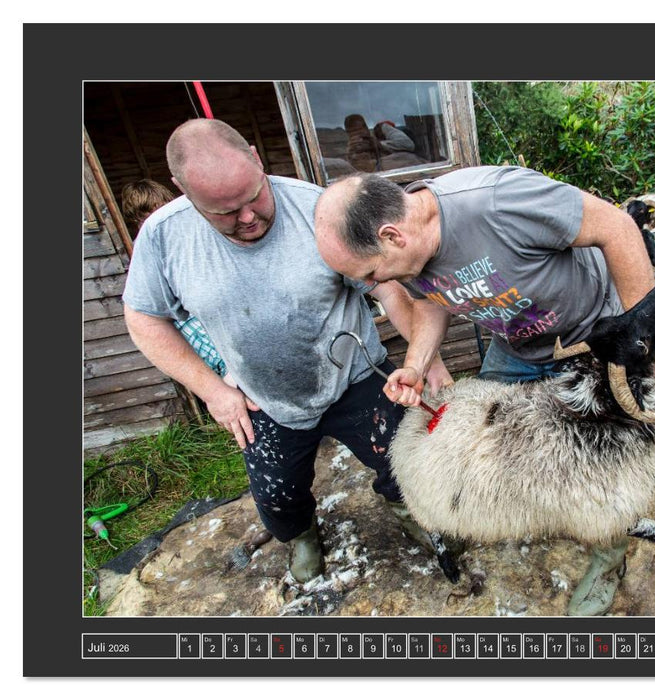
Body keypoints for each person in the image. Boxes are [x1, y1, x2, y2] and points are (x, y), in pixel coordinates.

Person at [313, 165, 655, 615]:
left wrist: (647, 335)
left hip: (593, 344)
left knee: (603, 467)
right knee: (487, 445)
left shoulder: (499, 201)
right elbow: (429, 300)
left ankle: (609, 555)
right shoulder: (406, 255)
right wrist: (415, 366)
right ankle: (531, 510)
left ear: (392, 236)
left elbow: (617, 227)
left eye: (371, 273)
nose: (376, 285)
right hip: (517, 349)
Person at [122, 119, 453, 584]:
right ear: (182, 189)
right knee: (277, 494)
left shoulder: (317, 210)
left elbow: (388, 288)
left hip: (354, 374)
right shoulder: (162, 237)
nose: (247, 218)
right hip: (263, 396)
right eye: (224, 212)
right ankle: (302, 538)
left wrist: (426, 359)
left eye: (254, 197)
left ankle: (411, 513)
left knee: (402, 461)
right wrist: (213, 391)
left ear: (256, 158)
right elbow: (143, 319)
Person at [121, 179, 229, 379]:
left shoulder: (188, 232)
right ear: (137, 219)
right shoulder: (143, 249)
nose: (158, 218)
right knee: (220, 361)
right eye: (148, 215)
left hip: (210, 303)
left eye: (162, 210)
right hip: (184, 314)